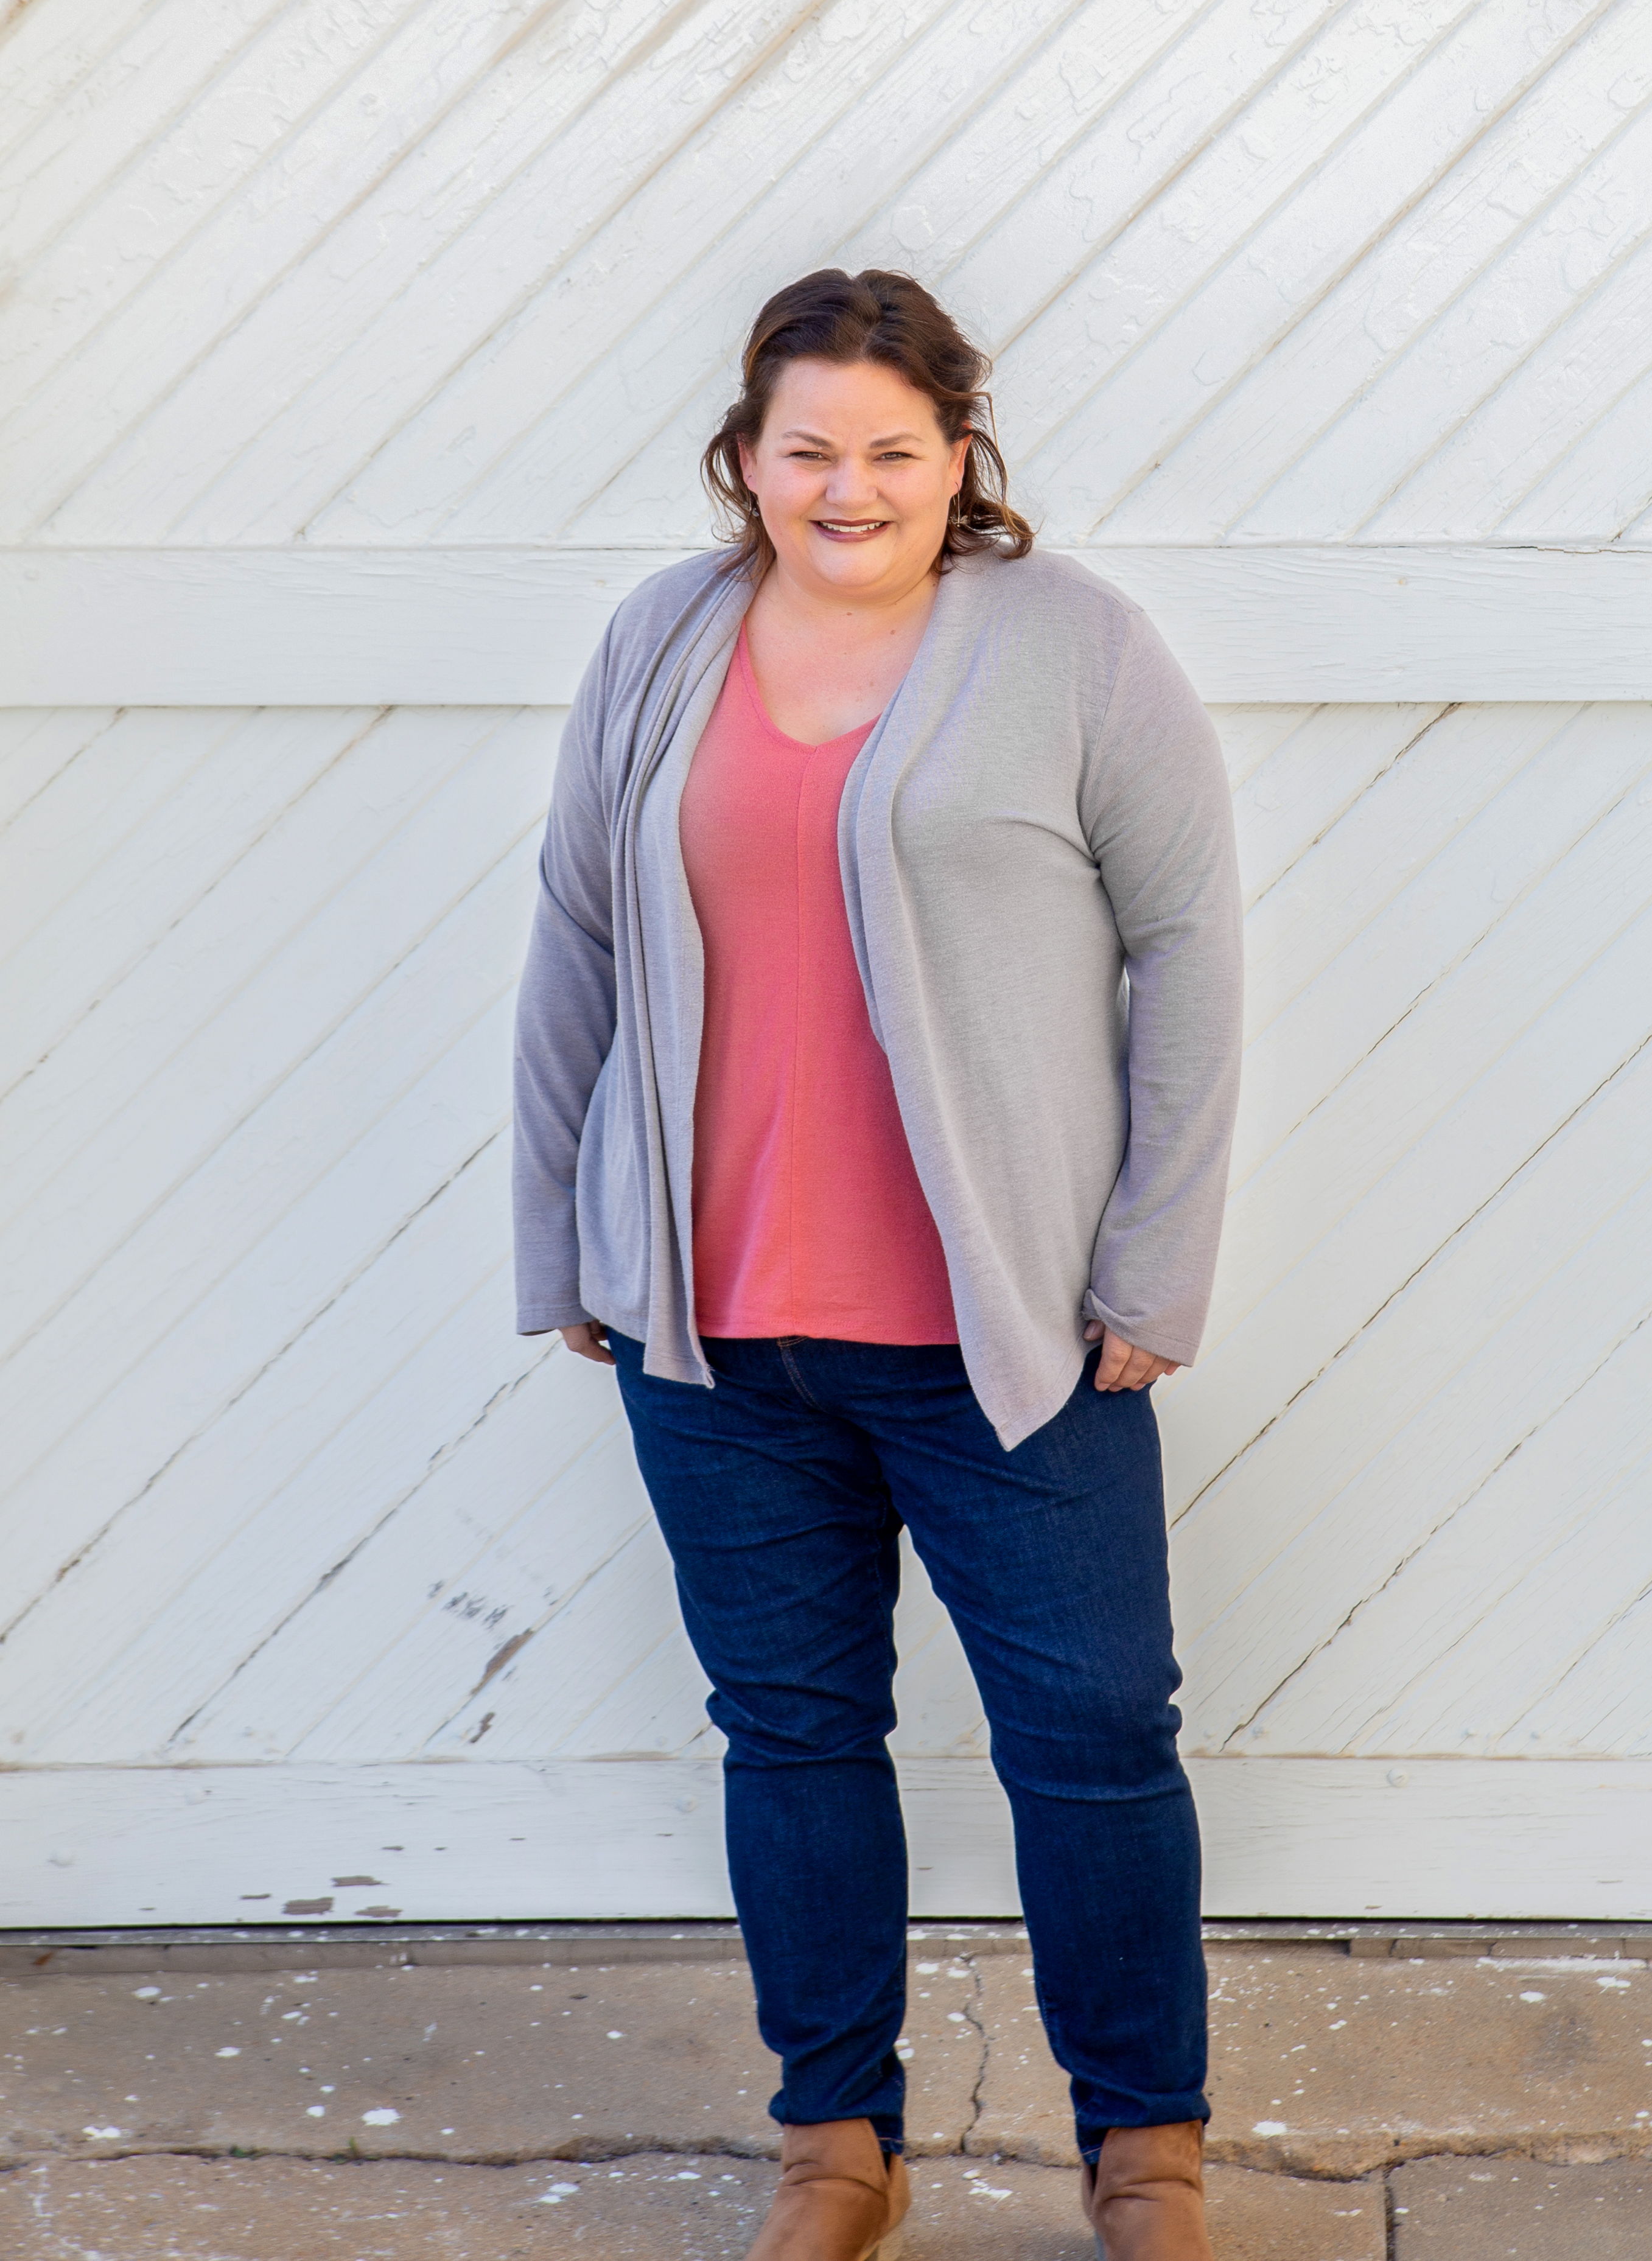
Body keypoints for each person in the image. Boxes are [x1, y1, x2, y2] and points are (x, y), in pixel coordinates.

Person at [513, 267, 1242, 2261]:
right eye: (806, 447)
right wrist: (565, 1230)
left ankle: (1142, 2152)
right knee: (793, 1733)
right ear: (746, 458)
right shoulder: (659, 639)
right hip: (716, 1325)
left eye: (891, 450)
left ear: (957, 457)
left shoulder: (1072, 645)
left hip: (1005, 1327)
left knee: (1092, 1736)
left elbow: (1188, 943)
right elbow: (580, 935)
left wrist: (1148, 1268)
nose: (847, 486)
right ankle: (835, 2141)